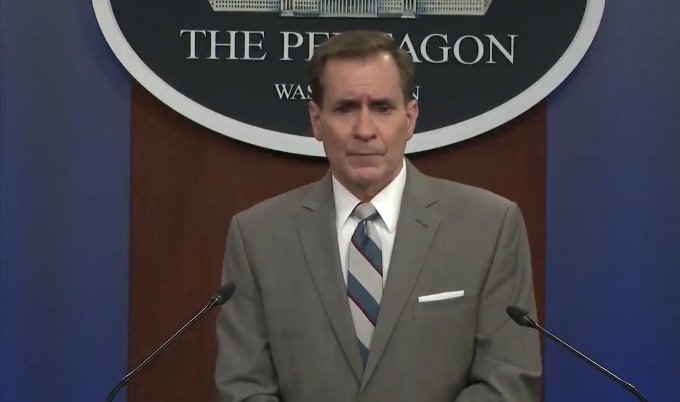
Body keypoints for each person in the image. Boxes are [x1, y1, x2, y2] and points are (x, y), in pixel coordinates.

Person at [216, 30, 541, 402]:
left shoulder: (489, 227)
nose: (365, 130)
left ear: (410, 118)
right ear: (316, 120)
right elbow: (244, 387)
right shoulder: (257, 237)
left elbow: (508, 382)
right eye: (345, 109)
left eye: (383, 108)